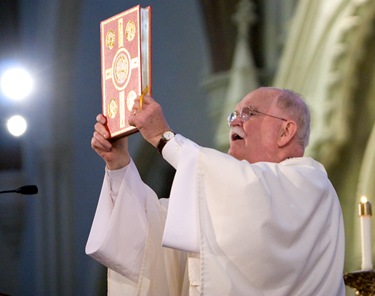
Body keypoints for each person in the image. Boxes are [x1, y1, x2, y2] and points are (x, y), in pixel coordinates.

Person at [86, 87, 346, 295]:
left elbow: (252, 194)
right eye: (232, 116)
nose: (235, 123)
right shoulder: (219, 195)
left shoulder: (310, 183)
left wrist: (163, 138)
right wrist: (119, 165)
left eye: (249, 113)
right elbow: (153, 236)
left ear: (286, 131)